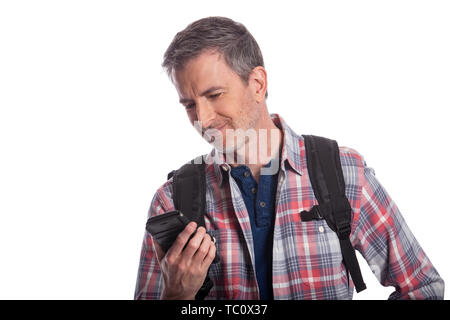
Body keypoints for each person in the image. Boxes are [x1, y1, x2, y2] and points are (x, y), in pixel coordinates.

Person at [134, 16, 444, 300]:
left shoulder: (345, 174)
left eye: (214, 95)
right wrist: (175, 295)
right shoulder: (171, 201)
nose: (202, 118)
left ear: (257, 84)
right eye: (189, 104)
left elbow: (423, 287)